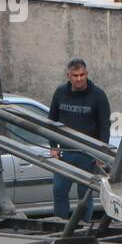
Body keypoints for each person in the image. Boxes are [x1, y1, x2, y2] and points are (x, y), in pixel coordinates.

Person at [48, 58, 111, 221]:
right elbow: (51, 121)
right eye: (75, 75)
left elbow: (105, 126)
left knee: (85, 195)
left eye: (82, 75)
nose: (79, 79)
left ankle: (83, 227)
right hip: (65, 152)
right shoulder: (60, 93)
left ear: (87, 74)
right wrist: (53, 146)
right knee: (59, 191)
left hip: (88, 154)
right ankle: (61, 226)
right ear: (68, 76)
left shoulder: (98, 95)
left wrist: (101, 156)